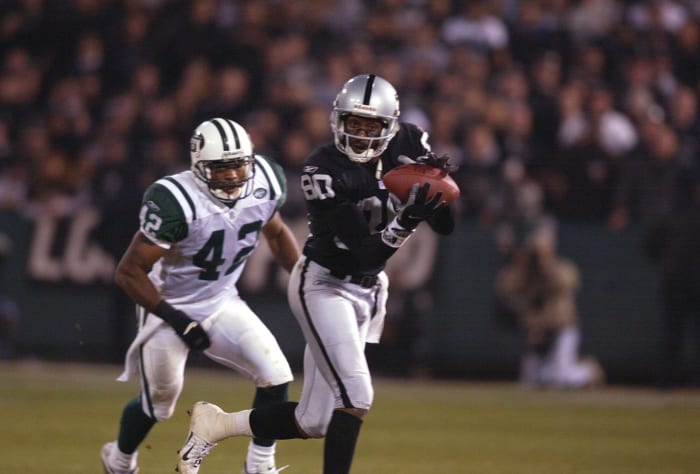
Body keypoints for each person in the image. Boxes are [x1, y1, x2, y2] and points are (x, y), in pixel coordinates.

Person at [176, 74, 456, 474]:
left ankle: (217, 425)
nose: (360, 134)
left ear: (390, 126)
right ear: (337, 121)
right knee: (357, 395)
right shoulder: (322, 169)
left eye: (370, 126)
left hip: (370, 289)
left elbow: (445, 225)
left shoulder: (411, 142)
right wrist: (406, 221)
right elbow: (362, 253)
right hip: (325, 286)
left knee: (317, 420)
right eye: (353, 124)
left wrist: (438, 191)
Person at [100, 118, 300, 474]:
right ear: (199, 168)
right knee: (159, 403)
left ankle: (259, 465)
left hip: (221, 300)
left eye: (239, 165)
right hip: (168, 308)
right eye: (221, 169)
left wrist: (302, 279)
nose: (233, 176)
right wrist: (178, 320)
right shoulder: (176, 200)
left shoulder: (266, 180)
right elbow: (128, 272)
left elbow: (278, 232)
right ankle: (119, 459)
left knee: (277, 375)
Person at [495, 225, 604, 389]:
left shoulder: (563, 267)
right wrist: (520, 263)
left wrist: (547, 263)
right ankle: (551, 372)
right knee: (530, 382)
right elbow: (504, 288)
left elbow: (565, 284)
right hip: (537, 334)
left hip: (562, 330)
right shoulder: (524, 273)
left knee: (560, 379)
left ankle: (589, 371)